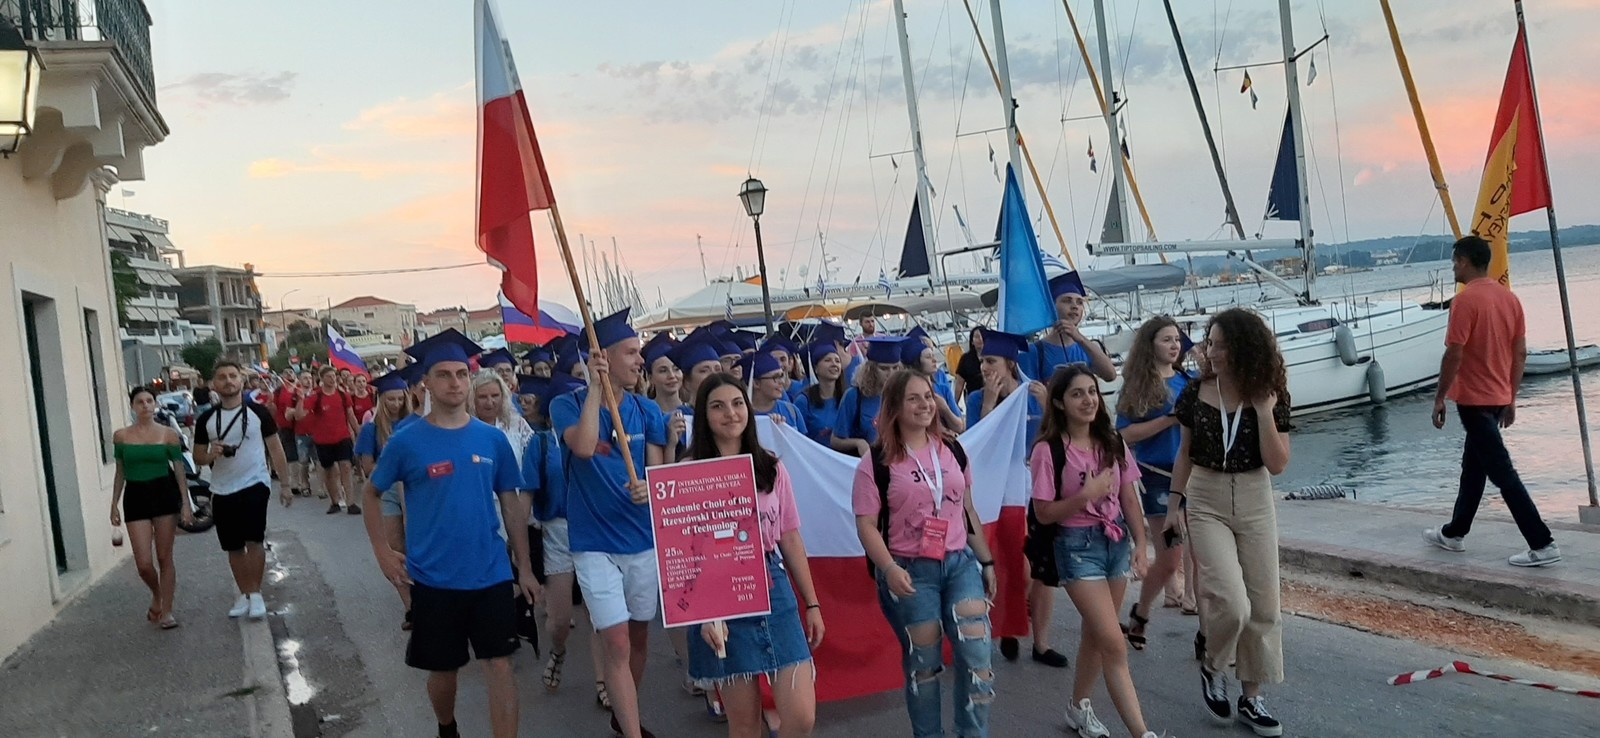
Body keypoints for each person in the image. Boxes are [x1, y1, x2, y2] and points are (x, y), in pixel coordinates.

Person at [360, 329, 540, 738]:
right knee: (444, 672)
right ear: (426, 382)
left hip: (490, 572)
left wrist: (525, 567)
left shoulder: (492, 439)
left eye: (461, 374)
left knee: (500, 664)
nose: (455, 383)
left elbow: (511, 504)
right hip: (433, 578)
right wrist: (383, 552)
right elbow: (371, 493)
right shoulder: (406, 441)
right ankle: (447, 727)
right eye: (444, 375)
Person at [1168, 307, 1292, 737]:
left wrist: (1263, 411)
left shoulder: (1271, 392)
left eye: (1221, 345)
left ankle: (1251, 697)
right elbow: (1184, 454)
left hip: (1255, 494)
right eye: (1211, 343)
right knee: (1231, 600)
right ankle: (1214, 664)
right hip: (1206, 495)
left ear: (1244, 348)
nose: (1212, 352)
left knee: (1263, 603)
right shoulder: (1195, 392)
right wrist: (1173, 506)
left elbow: (1278, 464)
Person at [854, 370, 998, 738]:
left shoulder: (952, 449)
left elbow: (967, 509)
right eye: (913, 398)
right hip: (909, 572)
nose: (924, 404)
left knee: (977, 656)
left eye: (929, 396)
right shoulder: (876, 461)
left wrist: (986, 561)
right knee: (925, 666)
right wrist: (888, 568)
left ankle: (973, 733)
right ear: (895, 407)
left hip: (959, 563)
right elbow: (866, 525)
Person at [549, 308, 671, 738]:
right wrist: (597, 389)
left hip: (641, 540)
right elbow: (584, 447)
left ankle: (623, 717)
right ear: (604, 357)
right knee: (615, 641)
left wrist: (649, 489)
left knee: (638, 638)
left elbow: (659, 474)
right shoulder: (565, 405)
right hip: (594, 543)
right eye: (631, 352)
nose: (640, 360)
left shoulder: (647, 410)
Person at [1032, 365, 1166, 738]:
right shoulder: (1048, 450)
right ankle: (1142, 733)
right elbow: (1044, 512)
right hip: (1077, 548)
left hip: (1115, 543)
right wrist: (1085, 496)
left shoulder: (1112, 441)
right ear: (1060, 402)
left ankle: (1078, 707)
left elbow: (1128, 497)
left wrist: (1141, 543)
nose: (1088, 400)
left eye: (1091, 391)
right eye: (1077, 394)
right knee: (1113, 642)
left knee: (1095, 634)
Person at [689, 373, 824, 738]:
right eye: (718, 406)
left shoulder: (771, 467)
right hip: (719, 592)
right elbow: (683, 553)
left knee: (801, 717)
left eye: (737, 404)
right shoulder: (688, 473)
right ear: (704, 415)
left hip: (772, 585)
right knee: (745, 725)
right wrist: (706, 614)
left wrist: (812, 603)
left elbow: (790, 537)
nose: (730, 413)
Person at [1424, 235, 1560, 567]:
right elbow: (1520, 353)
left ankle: (1542, 543)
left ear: (1465, 262)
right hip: (1499, 398)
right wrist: (1511, 397)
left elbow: (1454, 353)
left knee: (1502, 472)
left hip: (1474, 401)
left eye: (1455, 262)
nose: (1453, 268)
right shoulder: (1510, 299)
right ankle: (1454, 533)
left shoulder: (1464, 302)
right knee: (1473, 469)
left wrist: (1440, 397)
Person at [965, 329, 1059, 668]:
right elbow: (976, 444)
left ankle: (1040, 641)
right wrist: (990, 403)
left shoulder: (1033, 393)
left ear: (1009, 363)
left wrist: (1047, 405)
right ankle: (1007, 624)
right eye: (982, 361)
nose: (984, 367)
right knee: (1010, 561)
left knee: (1037, 568)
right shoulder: (977, 399)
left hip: (1034, 486)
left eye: (991, 361)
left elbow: (1058, 434)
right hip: (999, 491)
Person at [1116, 317, 1195, 649]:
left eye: (1177, 339)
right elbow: (1125, 433)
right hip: (1158, 477)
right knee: (1171, 556)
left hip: (1195, 476)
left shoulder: (1190, 380)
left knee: (1203, 554)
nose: (1174, 345)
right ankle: (1142, 611)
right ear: (1150, 345)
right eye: (1166, 339)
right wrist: (1168, 420)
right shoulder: (1138, 387)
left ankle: (1206, 634)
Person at [193, 361, 294, 620]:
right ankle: (245, 593)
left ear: (241, 380)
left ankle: (256, 594)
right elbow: (197, 457)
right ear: (214, 384)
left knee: (254, 539)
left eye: (233, 376)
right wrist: (211, 453)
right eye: (222, 377)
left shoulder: (259, 413)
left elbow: (276, 448)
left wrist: (285, 485)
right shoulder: (206, 419)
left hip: (254, 483)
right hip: (222, 488)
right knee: (233, 546)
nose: (228, 381)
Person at [112, 386, 196, 629]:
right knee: (144, 564)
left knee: (164, 556)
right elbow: (120, 471)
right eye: (140, 402)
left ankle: (167, 611)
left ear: (155, 404)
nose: (146, 405)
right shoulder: (121, 436)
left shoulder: (168, 434)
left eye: (150, 401)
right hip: (135, 495)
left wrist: (186, 504)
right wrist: (114, 504)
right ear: (133, 406)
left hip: (163, 494)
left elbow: (179, 470)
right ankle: (157, 594)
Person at [354, 372, 418, 630]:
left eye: (400, 398)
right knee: (395, 546)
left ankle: (427, 599)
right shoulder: (371, 429)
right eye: (390, 399)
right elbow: (367, 466)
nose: (396, 404)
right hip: (386, 488)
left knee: (416, 544)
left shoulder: (414, 424)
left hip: (413, 485)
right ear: (381, 400)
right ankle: (411, 607)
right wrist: (392, 464)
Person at [1026, 271, 1117, 383]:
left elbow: (1110, 375)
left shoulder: (1086, 348)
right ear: (1052, 307)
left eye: (1079, 302)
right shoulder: (1035, 351)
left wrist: (1080, 338)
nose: (1075, 306)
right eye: (1067, 301)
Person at [296, 366, 361, 515]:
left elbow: (351, 415)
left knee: (346, 467)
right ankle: (334, 501)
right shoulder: (316, 396)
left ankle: (351, 503)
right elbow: (300, 416)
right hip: (323, 441)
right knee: (329, 471)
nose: (332, 379)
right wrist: (301, 399)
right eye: (329, 376)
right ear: (322, 378)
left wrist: (359, 433)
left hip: (343, 437)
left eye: (333, 376)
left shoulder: (343, 395)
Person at [831, 337, 902, 457]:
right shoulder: (854, 396)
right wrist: (858, 443)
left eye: (895, 368)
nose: (891, 373)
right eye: (884, 368)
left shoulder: (903, 395)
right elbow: (835, 441)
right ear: (871, 369)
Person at [472, 372, 535, 470]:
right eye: (482, 397)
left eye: (495, 396)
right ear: (472, 399)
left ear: (503, 396)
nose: (489, 402)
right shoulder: (464, 427)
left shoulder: (517, 424)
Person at [900, 336, 963, 432]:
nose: (934, 360)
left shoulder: (942, 389)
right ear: (917, 362)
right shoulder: (905, 393)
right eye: (928, 357)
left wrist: (945, 409)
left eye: (933, 356)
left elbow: (960, 427)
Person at [797, 341, 846, 447]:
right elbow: (798, 439)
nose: (834, 364)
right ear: (816, 368)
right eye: (827, 360)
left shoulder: (847, 398)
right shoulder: (804, 401)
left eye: (837, 361)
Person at [745, 350, 808, 433]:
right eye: (775, 377)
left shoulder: (791, 410)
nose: (782, 381)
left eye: (781, 376)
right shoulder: (744, 416)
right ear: (756, 383)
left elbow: (801, 440)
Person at [270, 372, 308, 497]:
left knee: (303, 456)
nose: (289, 375)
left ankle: (304, 481)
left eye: (291, 373)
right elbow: (274, 407)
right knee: (291, 454)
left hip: (301, 426)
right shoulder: (278, 392)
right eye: (287, 374)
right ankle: (295, 483)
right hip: (285, 426)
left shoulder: (299, 389)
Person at [954, 326, 985, 401]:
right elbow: (959, 384)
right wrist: (955, 403)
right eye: (977, 337)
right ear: (972, 341)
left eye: (983, 336)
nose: (980, 339)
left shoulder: (995, 357)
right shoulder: (966, 359)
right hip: (972, 398)